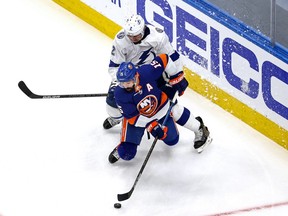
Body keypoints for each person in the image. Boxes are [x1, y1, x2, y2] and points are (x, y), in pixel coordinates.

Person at [108, 54, 212, 163]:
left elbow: (164, 58)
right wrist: (151, 126)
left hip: (161, 108)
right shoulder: (120, 93)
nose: (125, 86)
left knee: (173, 140)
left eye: (127, 82)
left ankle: (199, 128)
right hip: (138, 119)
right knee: (126, 153)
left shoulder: (146, 72)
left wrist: (176, 77)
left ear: (135, 77)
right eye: (122, 83)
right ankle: (123, 141)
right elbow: (133, 118)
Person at [103, 14, 184, 129]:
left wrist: (178, 76)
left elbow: (172, 57)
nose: (132, 39)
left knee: (167, 102)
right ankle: (118, 118)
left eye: (136, 36)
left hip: (152, 72)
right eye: (130, 36)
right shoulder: (121, 40)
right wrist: (120, 83)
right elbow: (114, 66)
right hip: (129, 75)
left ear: (143, 29)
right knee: (112, 103)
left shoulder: (158, 37)